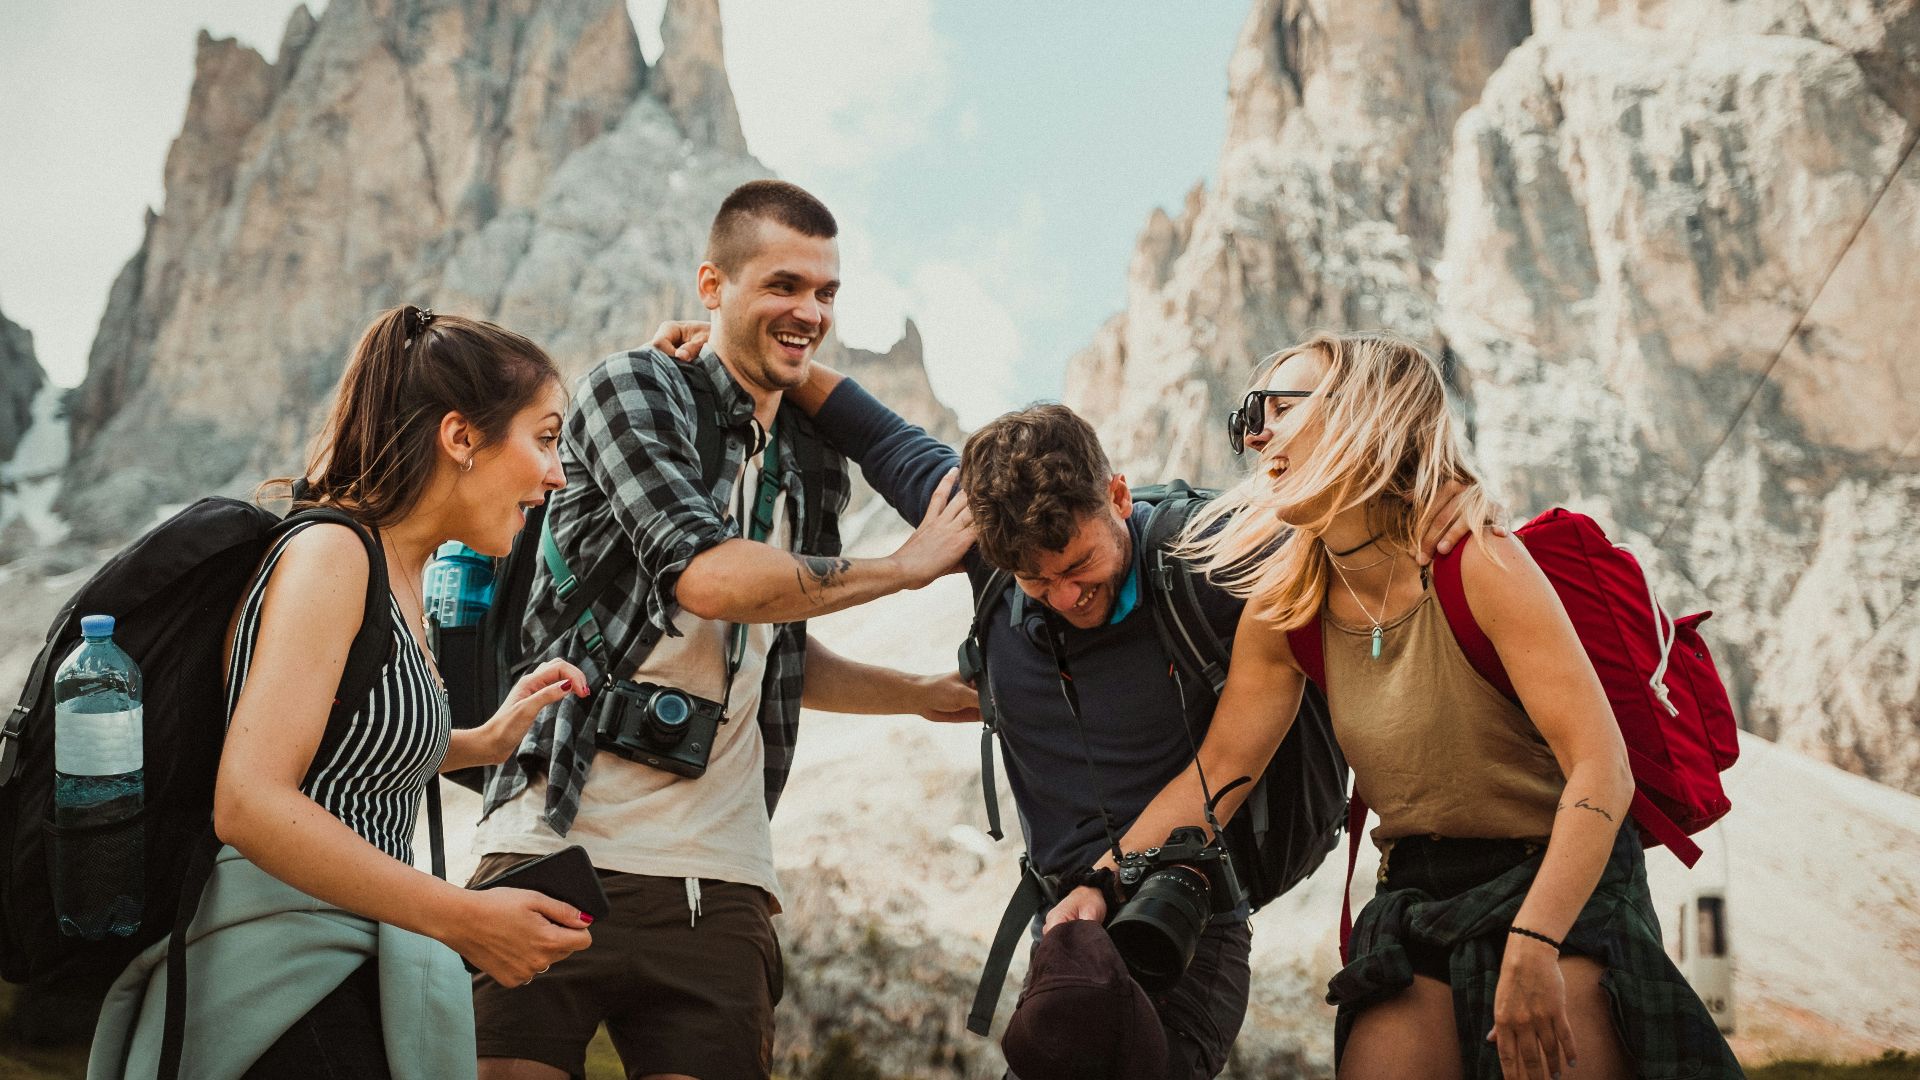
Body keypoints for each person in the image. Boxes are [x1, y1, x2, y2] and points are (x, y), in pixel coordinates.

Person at [645, 318, 1474, 1078]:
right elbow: (875, 431)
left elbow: (1350, 523)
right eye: (1032, 582)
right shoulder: (986, 544)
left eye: (1080, 568)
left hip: (1182, 928)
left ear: (1117, 497)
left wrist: (1445, 499)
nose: (1063, 597)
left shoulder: (1207, 557)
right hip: (1067, 933)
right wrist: (747, 348)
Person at [1063, 331, 1743, 1079]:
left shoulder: (1477, 562)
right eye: (1249, 417)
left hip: (1556, 880)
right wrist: (1100, 881)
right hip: (1415, 894)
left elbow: (1601, 769)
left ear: (1364, 412)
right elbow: (1219, 770)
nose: (1255, 433)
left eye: (1277, 408)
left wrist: (1539, 940)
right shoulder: (1286, 607)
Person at [468, 180, 978, 1080]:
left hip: (722, 879)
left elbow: (777, 633)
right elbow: (707, 579)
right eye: (784, 285)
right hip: (550, 847)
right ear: (712, 284)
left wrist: (919, 697)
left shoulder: (815, 460)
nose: (809, 311)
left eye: (826, 293)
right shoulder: (634, 390)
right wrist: (905, 567)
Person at [89, 305, 597, 1079]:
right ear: (461, 438)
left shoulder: (400, 574)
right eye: (546, 437)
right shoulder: (334, 553)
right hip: (280, 985)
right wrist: (467, 919)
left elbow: (338, 746)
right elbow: (251, 800)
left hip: (343, 967)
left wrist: (481, 739)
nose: (558, 473)